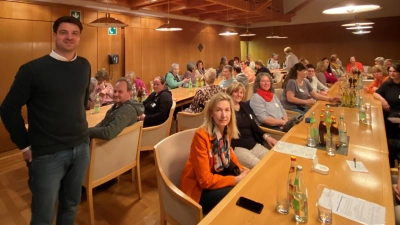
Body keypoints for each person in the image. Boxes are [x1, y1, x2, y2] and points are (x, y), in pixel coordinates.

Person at [0, 16, 91, 225]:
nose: (69, 37)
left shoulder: (84, 65)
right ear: (54, 35)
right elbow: (8, 109)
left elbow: (82, 100)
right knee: (43, 213)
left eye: (74, 33)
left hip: (81, 147)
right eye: (63, 32)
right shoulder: (32, 70)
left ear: (79, 37)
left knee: (71, 204)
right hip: (47, 154)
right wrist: (24, 145)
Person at [179, 92, 249, 215]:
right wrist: (235, 180)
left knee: (246, 182)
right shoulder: (201, 136)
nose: (224, 115)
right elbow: (204, 180)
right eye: (218, 110)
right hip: (198, 190)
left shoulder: (227, 130)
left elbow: (229, 154)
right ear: (211, 113)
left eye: (227, 110)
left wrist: (241, 169)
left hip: (216, 175)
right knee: (236, 194)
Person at [226, 82, 277, 169]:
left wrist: (267, 137)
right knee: (261, 167)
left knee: (273, 160)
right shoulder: (226, 110)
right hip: (238, 148)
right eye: (236, 92)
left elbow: (254, 125)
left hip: (254, 144)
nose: (239, 95)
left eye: (241, 92)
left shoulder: (245, 106)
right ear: (230, 93)